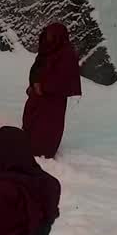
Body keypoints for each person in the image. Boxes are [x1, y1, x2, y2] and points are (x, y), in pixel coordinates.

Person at [21, 22, 82, 158]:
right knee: (31, 120)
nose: (48, 37)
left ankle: (42, 151)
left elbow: (63, 78)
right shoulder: (47, 50)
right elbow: (37, 68)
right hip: (38, 95)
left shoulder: (66, 54)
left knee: (47, 126)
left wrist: (43, 86)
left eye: (51, 35)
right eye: (47, 34)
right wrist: (34, 83)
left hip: (53, 100)